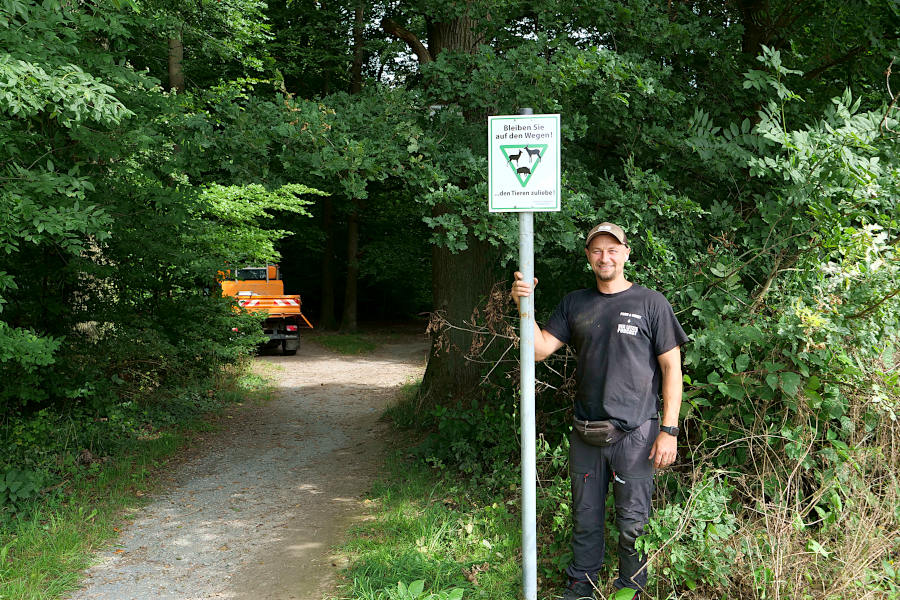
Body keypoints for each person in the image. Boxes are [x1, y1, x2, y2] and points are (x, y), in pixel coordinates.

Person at [510, 222, 689, 600]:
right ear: (589, 256)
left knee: (632, 524)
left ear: (626, 253)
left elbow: (672, 369)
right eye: (596, 250)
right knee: (585, 518)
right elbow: (540, 349)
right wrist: (523, 306)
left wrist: (668, 431)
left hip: (637, 435)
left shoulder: (651, 303)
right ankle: (581, 587)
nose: (604, 257)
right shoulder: (576, 302)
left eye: (612, 249)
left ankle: (631, 590)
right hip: (586, 433)